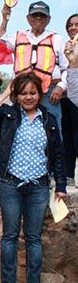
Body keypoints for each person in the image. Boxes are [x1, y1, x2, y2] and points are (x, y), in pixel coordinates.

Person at [0, 69, 67, 283]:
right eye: (23, 93)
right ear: (16, 96)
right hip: (10, 183)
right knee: (10, 237)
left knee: (33, 239)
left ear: (39, 95)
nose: (28, 97)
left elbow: (58, 155)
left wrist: (60, 185)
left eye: (32, 93)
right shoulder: (8, 115)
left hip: (39, 187)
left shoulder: (49, 120)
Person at [0, 1, 68, 131]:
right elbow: (1, 41)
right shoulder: (19, 36)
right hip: (23, 91)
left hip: (49, 92)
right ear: (28, 18)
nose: (38, 18)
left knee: (52, 129)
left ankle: (53, 152)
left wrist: (61, 87)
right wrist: (5, 19)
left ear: (49, 19)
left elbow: (67, 67)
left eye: (42, 16)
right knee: (19, 126)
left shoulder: (56, 39)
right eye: (35, 15)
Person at [61, 13, 78, 186]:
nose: (73, 28)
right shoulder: (66, 47)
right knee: (67, 135)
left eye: (76, 25)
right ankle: (68, 173)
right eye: (70, 25)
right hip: (67, 97)